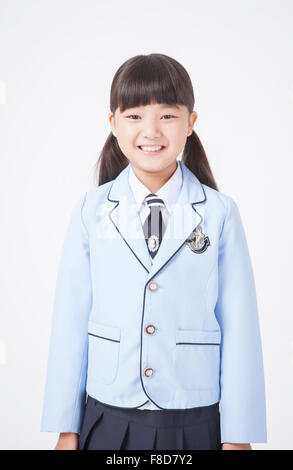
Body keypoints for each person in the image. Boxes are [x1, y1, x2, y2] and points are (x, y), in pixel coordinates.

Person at [40, 53, 267, 450]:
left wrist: (238, 437)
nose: (151, 130)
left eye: (167, 115)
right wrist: (66, 428)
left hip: (193, 419)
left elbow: (240, 328)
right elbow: (70, 323)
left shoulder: (219, 213)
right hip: (108, 415)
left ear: (190, 123)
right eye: (134, 116)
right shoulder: (90, 210)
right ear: (112, 124)